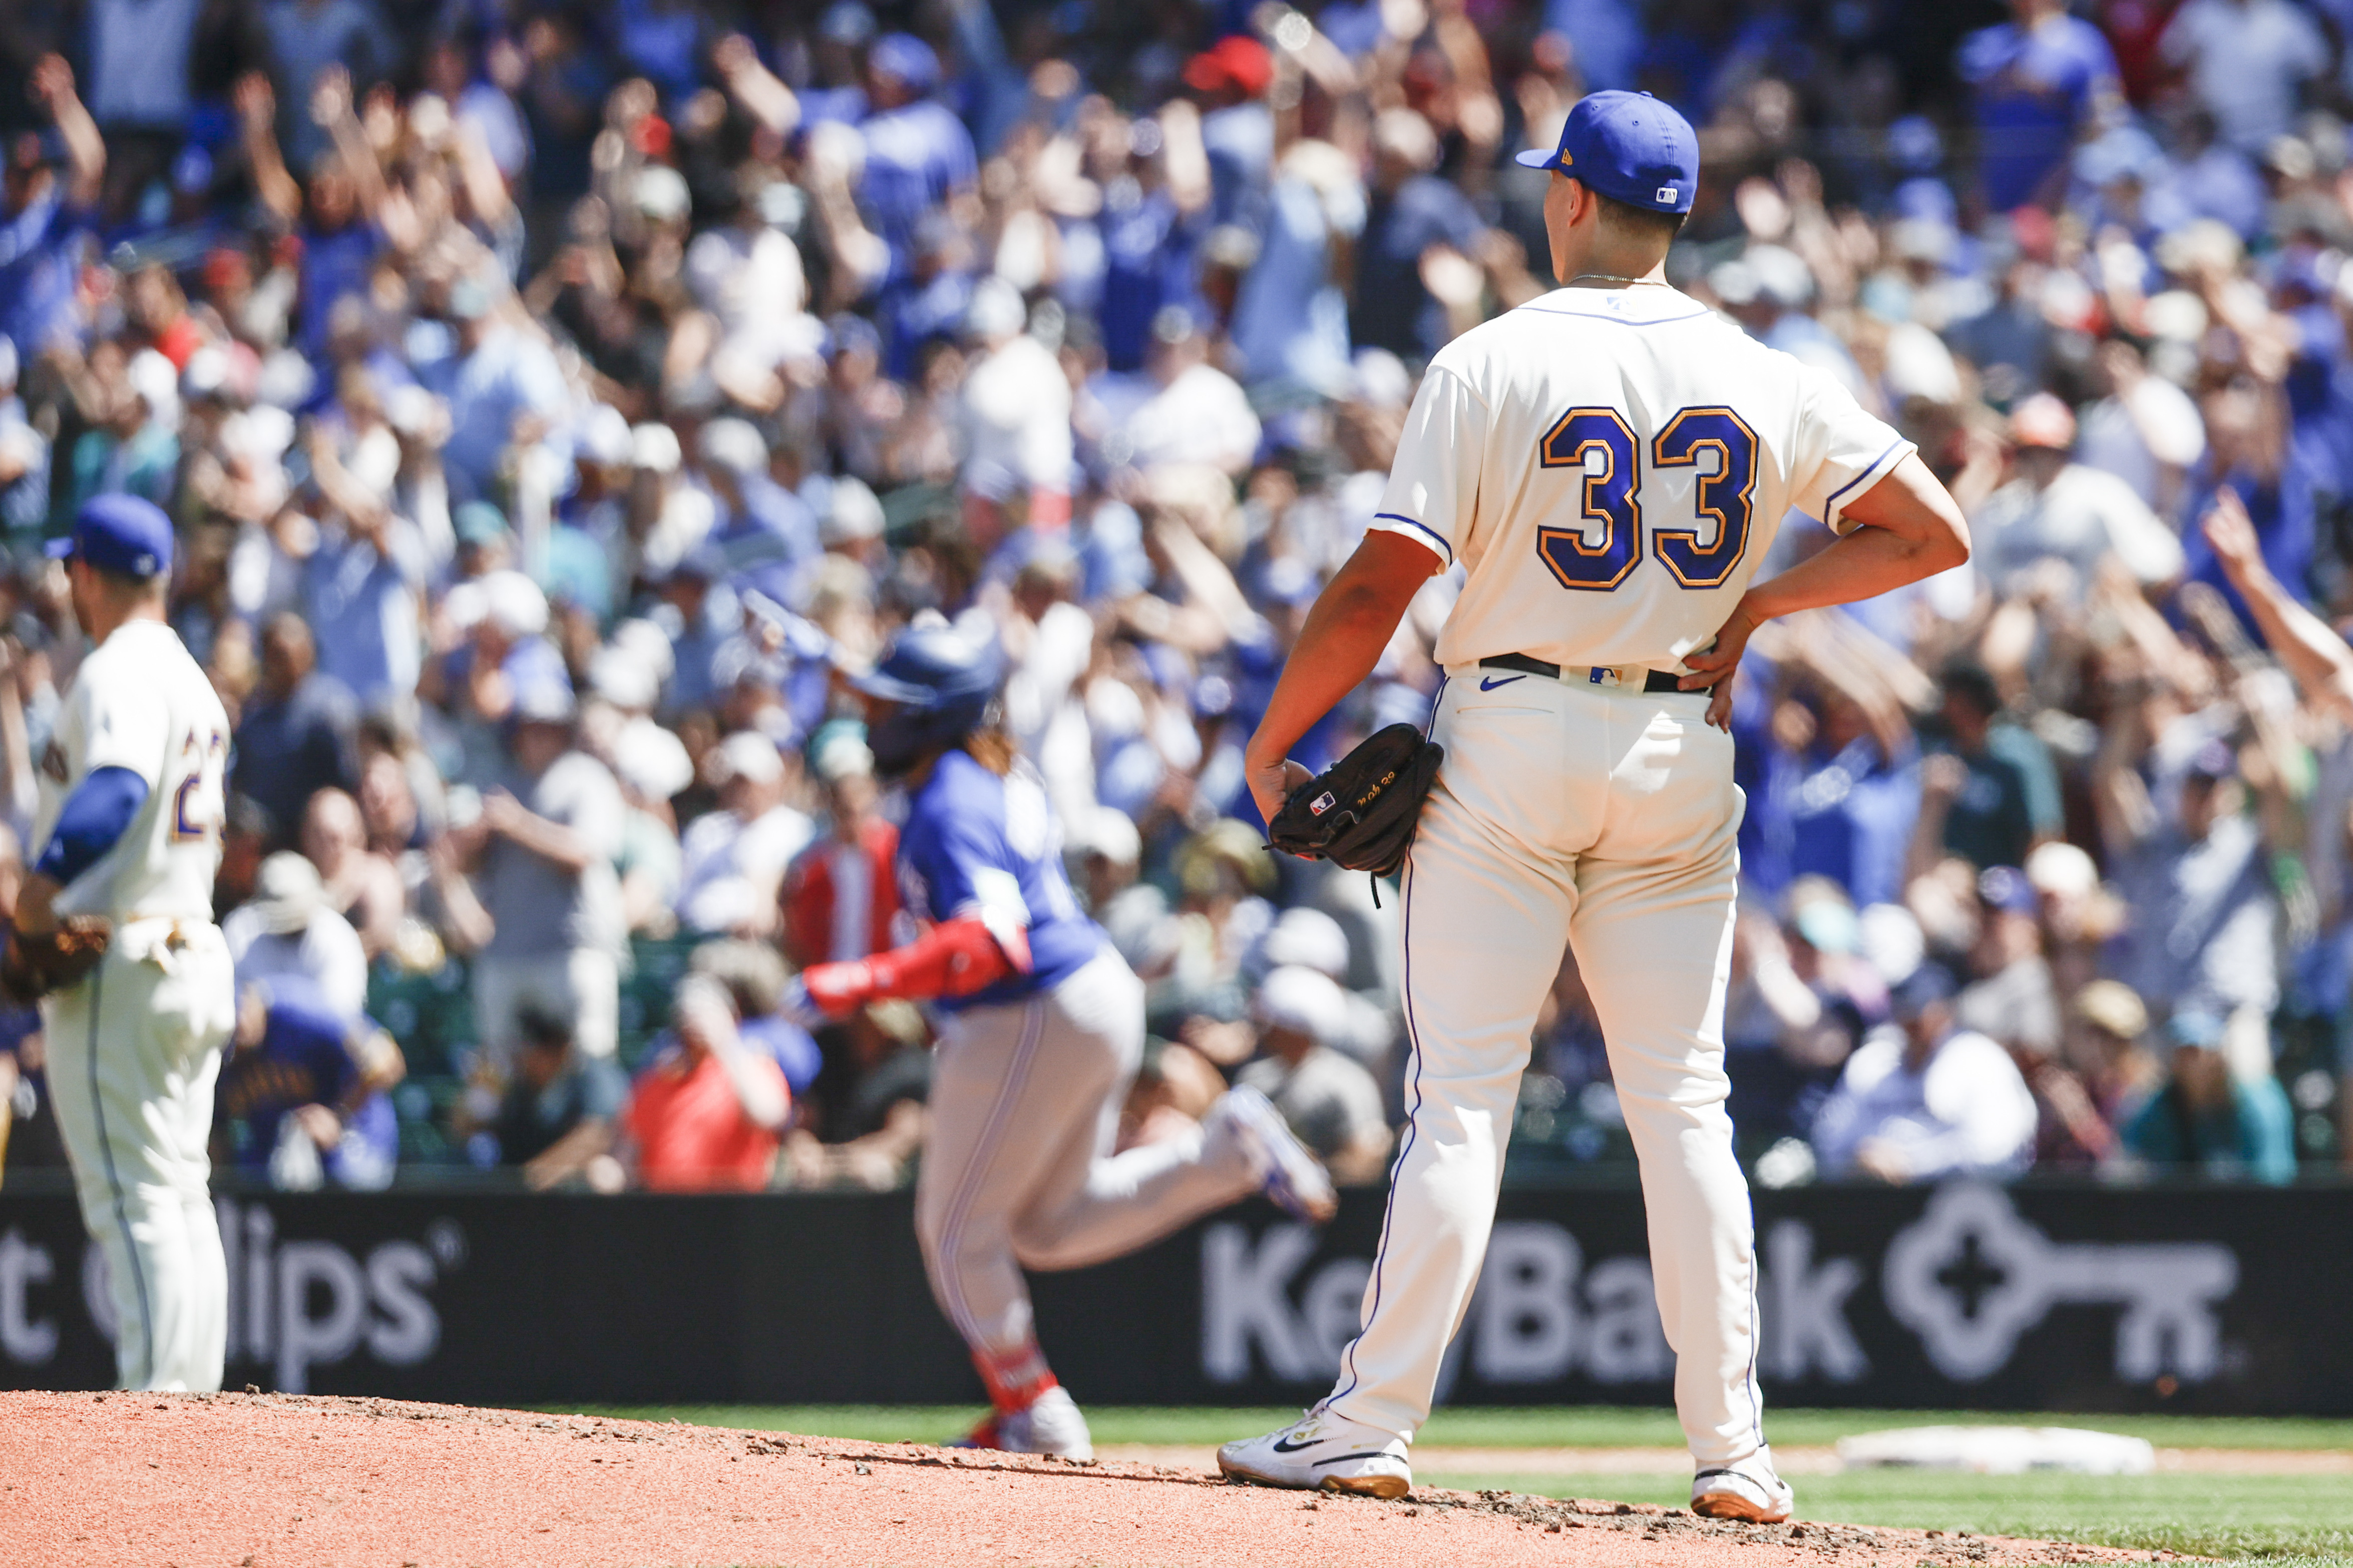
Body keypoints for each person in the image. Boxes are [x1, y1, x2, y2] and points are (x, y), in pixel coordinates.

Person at [1217, 93, 1970, 1515]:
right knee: (1684, 1104)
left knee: (1461, 1099)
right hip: (1677, 742)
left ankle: (1368, 1422)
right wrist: (1758, 606)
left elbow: (1382, 581)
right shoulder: (1764, 369)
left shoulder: (1489, 357)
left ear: (1567, 197)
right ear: (1674, 215)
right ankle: (1734, 1450)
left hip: (1509, 726)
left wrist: (1275, 744)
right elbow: (1929, 529)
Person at [784, 621, 1339, 1462]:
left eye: (889, 708)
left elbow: (990, 940)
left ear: (931, 720)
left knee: (957, 1228)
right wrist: (834, 658)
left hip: (1030, 1005)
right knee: (1045, 1224)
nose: (872, 723)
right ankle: (1222, 1152)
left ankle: (1033, 1409)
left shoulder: (946, 802)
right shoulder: (990, 771)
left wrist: (857, 979)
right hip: (1090, 994)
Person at [13, 495, 236, 1390]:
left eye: (73, 568)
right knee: (180, 1189)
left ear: (90, 576)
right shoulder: (190, 673)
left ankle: (160, 1415)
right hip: (191, 946)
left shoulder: (117, 670)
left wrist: (41, 882)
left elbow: (114, 788)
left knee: (133, 1197)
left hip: (124, 959)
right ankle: (199, 1406)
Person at [1809, 964, 2038, 1182]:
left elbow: (1996, 1148)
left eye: (1920, 1012)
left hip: (1959, 1204)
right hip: (1872, 1198)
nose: (1910, 1021)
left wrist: (1911, 1164)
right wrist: (1860, 1159)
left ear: (1946, 1011)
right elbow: (1829, 1139)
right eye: (1904, 1010)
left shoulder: (1979, 1059)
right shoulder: (1875, 1060)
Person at [215, 976, 405, 1191]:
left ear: (255, 1003)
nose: (239, 1025)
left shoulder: (302, 1013)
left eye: (243, 1012)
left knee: (348, 1189)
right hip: (273, 1151)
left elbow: (387, 1062)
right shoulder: (212, 1045)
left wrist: (338, 1116)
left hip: (354, 1133)